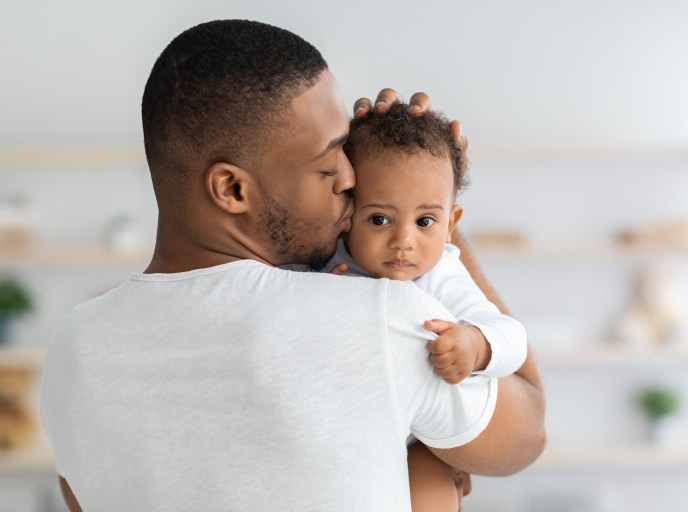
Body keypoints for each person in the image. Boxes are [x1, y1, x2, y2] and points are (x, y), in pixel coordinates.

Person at [40, 19, 545, 512]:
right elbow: (527, 431)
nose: (351, 178)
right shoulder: (382, 319)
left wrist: (398, 193)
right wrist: (431, 199)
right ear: (233, 189)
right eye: (328, 163)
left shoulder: (73, 347)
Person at [323, 104, 528, 387]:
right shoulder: (330, 263)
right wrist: (317, 297)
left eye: (424, 221)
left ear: (450, 225)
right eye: (380, 219)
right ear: (347, 214)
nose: (403, 241)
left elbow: (514, 339)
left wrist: (474, 345)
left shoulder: (439, 275)